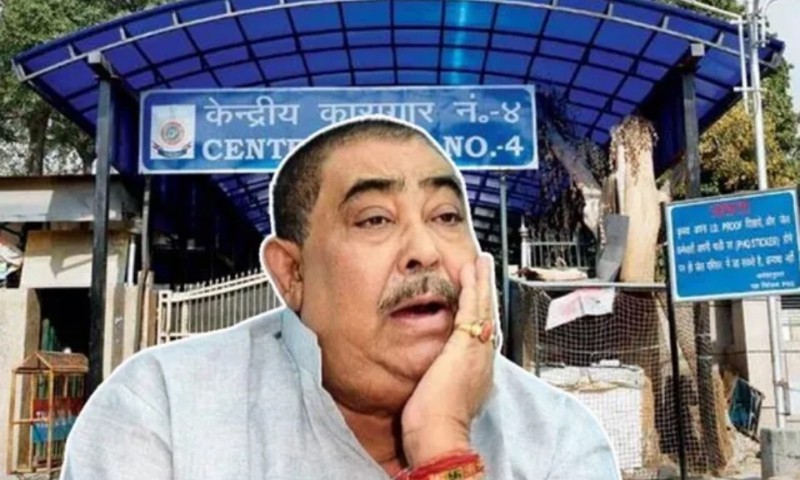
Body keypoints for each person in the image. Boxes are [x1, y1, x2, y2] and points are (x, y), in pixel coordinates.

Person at [61, 116, 620, 479]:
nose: (424, 250)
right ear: (292, 273)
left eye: (447, 216)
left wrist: (442, 441)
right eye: (375, 219)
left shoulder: (555, 439)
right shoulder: (164, 410)